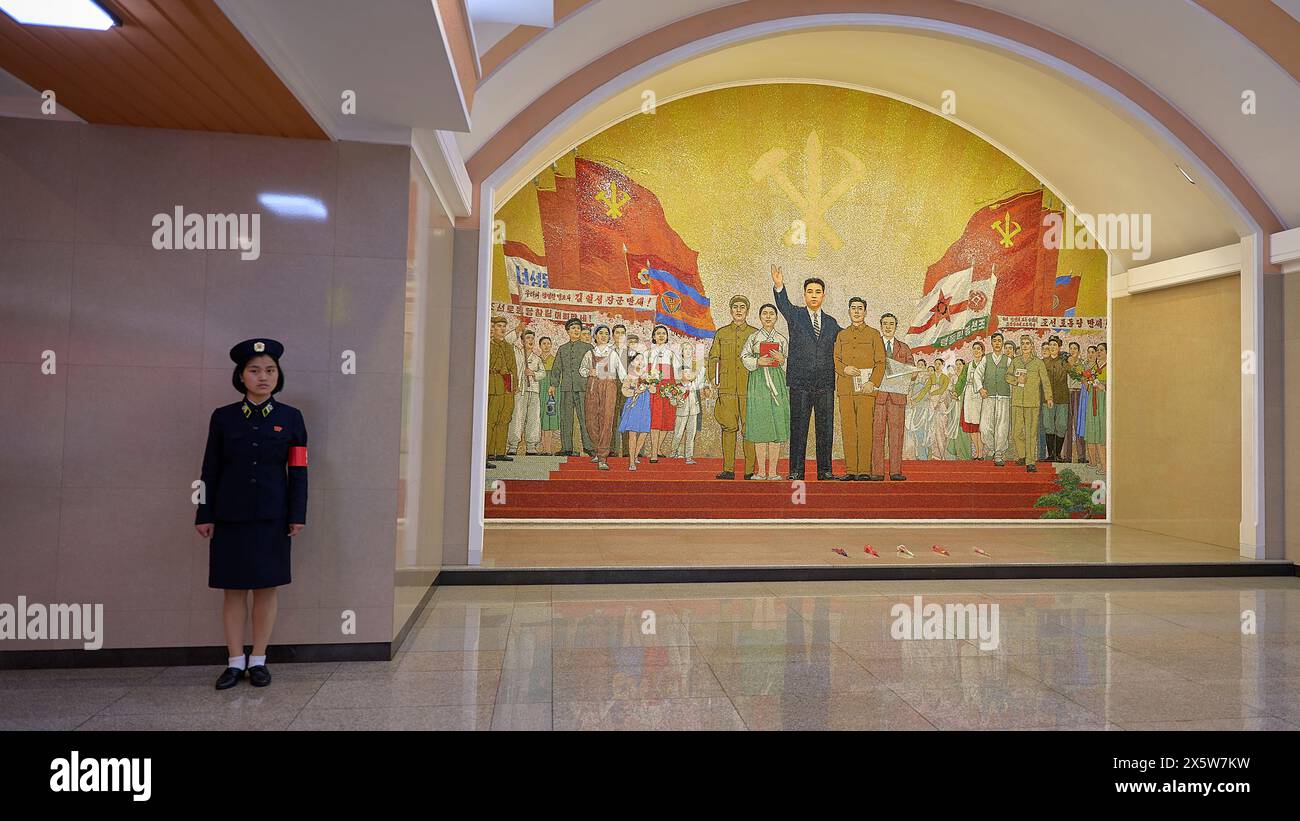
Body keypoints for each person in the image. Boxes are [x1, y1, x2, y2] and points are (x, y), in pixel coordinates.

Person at [195, 338, 307, 690]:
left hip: (273, 516)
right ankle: (234, 661)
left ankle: (258, 660)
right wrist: (204, 513)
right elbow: (209, 468)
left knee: (266, 589)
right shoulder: (223, 417)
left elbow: (299, 469)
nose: (263, 377)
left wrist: (297, 513)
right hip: (230, 515)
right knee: (232, 590)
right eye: (255, 370)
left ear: (279, 376)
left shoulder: (291, 418)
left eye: (270, 370)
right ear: (241, 376)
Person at [771, 264, 841, 480]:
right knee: (798, 429)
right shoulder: (796, 316)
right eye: (809, 291)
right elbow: (782, 303)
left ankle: (825, 471)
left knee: (825, 430)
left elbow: (845, 344)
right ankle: (796, 471)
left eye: (817, 292)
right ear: (804, 294)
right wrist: (779, 285)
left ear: (824, 295)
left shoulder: (831, 323)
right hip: (800, 383)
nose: (813, 295)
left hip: (825, 384)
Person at [832, 296, 887, 480]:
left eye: (860, 308)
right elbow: (835, 360)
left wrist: (872, 382)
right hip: (846, 389)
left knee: (864, 429)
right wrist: (844, 369)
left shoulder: (873, 335)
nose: (856, 311)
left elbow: (881, 362)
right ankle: (850, 471)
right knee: (848, 429)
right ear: (849, 311)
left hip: (866, 390)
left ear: (865, 311)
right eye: (853, 308)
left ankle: (863, 470)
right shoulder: (842, 335)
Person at [705, 295, 758, 479]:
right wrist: (713, 378)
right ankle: (728, 469)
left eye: (742, 307)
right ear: (730, 309)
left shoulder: (755, 333)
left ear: (747, 310)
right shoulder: (722, 333)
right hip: (726, 389)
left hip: (749, 389)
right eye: (735, 307)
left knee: (749, 430)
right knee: (728, 428)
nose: (738, 310)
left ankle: (750, 471)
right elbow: (713, 358)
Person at [741, 303, 792, 480]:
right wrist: (757, 361)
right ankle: (761, 471)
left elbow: (792, 364)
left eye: (772, 313)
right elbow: (744, 357)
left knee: (776, 425)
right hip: (759, 382)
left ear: (776, 317)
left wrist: (782, 359)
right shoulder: (754, 337)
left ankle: (773, 472)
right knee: (760, 425)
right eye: (765, 314)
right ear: (760, 317)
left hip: (777, 381)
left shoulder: (782, 339)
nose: (768, 317)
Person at [871, 313, 915, 481]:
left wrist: (903, 371)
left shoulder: (903, 348)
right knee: (877, 434)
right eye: (885, 324)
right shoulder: (874, 346)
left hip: (897, 398)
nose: (888, 327)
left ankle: (896, 471)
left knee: (896, 435)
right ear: (881, 326)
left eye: (891, 324)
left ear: (896, 327)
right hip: (879, 397)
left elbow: (913, 372)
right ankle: (877, 472)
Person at [580, 325, 625, 471]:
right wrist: (589, 372)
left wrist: (632, 384)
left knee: (606, 420)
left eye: (606, 334)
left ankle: (603, 457)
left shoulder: (613, 354)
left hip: (609, 387)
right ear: (595, 336)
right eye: (601, 333)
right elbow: (582, 370)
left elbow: (623, 374)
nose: (604, 336)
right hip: (593, 387)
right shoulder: (589, 353)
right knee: (591, 420)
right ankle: (598, 449)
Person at [547, 317, 594, 456]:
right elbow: (556, 368)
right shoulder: (562, 349)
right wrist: (553, 385)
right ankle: (566, 448)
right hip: (566, 388)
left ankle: (589, 446)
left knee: (585, 418)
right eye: (573, 328)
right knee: (566, 418)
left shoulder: (588, 348)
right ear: (568, 331)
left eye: (578, 328)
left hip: (583, 388)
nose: (576, 331)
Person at [1009, 334, 1052, 473]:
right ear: (1021, 346)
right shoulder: (1015, 361)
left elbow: (1045, 381)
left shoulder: (1038, 363)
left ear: (1032, 346)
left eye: (1028, 343)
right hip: (1017, 402)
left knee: (1031, 433)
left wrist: (1049, 397)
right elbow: (1007, 376)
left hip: (1032, 402)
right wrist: (1017, 380)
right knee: (1016, 433)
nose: (1026, 345)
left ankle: (1030, 462)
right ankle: (1023, 455)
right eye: (1023, 343)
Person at [974, 332, 1012, 466]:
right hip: (988, 396)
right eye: (994, 341)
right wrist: (980, 389)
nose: (997, 343)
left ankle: (999, 454)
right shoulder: (986, 359)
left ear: (1002, 343)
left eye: (999, 341)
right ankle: (992, 447)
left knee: (1002, 426)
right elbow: (977, 375)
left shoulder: (1008, 360)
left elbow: (1013, 378)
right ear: (991, 343)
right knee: (984, 427)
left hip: (1004, 397)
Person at [485, 316, 518, 467]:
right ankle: (486, 453)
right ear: (492, 328)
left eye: (504, 326)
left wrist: (514, 385)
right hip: (494, 384)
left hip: (507, 386)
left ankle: (499, 452)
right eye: (499, 326)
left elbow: (513, 368)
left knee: (504, 419)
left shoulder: (508, 346)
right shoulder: (489, 345)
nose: (502, 328)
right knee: (491, 420)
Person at [506, 329, 544, 456]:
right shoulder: (517, 353)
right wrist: (517, 330)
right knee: (517, 417)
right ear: (522, 341)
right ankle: (513, 445)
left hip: (533, 391)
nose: (531, 341)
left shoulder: (537, 359)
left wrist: (533, 373)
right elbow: (507, 341)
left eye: (532, 338)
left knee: (533, 418)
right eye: (527, 338)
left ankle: (531, 446)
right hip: (520, 391)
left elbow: (542, 373)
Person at [646, 324, 679, 461]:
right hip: (653, 390)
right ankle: (654, 453)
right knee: (655, 421)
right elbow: (642, 371)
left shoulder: (671, 354)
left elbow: (677, 373)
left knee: (667, 421)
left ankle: (658, 448)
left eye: (663, 334)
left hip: (668, 390)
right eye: (658, 333)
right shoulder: (648, 353)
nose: (661, 336)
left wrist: (677, 391)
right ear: (653, 336)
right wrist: (649, 385)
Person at [670, 340, 707, 463]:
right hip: (682, 408)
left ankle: (689, 456)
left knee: (691, 433)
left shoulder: (697, 367)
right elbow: (675, 390)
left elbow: (700, 380)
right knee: (679, 432)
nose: (688, 351)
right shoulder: (678, 366)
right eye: (685, 349)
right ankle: (674, 452)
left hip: (694, 408)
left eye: (690, 349)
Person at [618, 352, 652, 470]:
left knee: (643, 433)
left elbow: (653, 390)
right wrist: (635, 391)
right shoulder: (630, 376)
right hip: (633, 405)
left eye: (642, 360)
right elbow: (624, 390)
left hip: (645, 405)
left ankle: (636, 455)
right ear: (632, 362)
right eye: (638, 359)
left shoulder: (648, 376)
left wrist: (650, 385)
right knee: (632, 434)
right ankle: (631, 461)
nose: (640, 362)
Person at [1039, 335, 1070, 462]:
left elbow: (1075, 373)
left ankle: (1058, 454)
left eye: (1055, 345)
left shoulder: (1064, 362)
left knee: (1062, 425)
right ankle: (1051, 455)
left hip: (1062, 398)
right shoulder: (1043, 362)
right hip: (1047, 399)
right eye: (1050, 345)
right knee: (1048, 425)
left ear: (1059, 347)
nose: (1052, 347)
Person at [960, 343, 986, 459]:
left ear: (983, 351)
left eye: (978, 349)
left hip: (981, 397)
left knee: (980, 426)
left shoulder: (986, 364)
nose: (976, 351)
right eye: (974, 349)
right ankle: (977, 451)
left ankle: (981, 452)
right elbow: (961, 380)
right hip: (969, 396)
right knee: (971, 426)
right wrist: (956, 391)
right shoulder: (969, 365)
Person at [1084, 342, 1108, 469]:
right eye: (1097, 350)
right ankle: (1093, 462)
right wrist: (1088, 381)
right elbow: (1088, 384)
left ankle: (1104, 467)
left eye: (1101, 350)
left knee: (1101, 430)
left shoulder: (1111, 366)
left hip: (1103, 400)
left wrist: (1103, 386)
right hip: (1092, 399)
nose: (1099, 352)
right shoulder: (1093, 367)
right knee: (1092, 428)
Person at [608, 325, 630, 457]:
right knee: (611, 418)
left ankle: (627, 451)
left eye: (623, 333)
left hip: (627, 388)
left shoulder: (631, 352)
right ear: (613, 335)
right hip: (611, 386)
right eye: (617, 333)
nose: (620, 335)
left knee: (626, 418)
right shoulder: (607, 351)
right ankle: (611, 449)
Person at [537, 336, 560, 454]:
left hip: (551, 391)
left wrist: (554, 388)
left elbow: (557, 377)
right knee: (539, 416)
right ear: (540, 346)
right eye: (544, 343)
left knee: (549, 416)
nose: (546, 346)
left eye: (548, 343)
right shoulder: (536, 359)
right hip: (539, 389)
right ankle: (540, 447)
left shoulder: (555, 360)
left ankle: (548, 449)